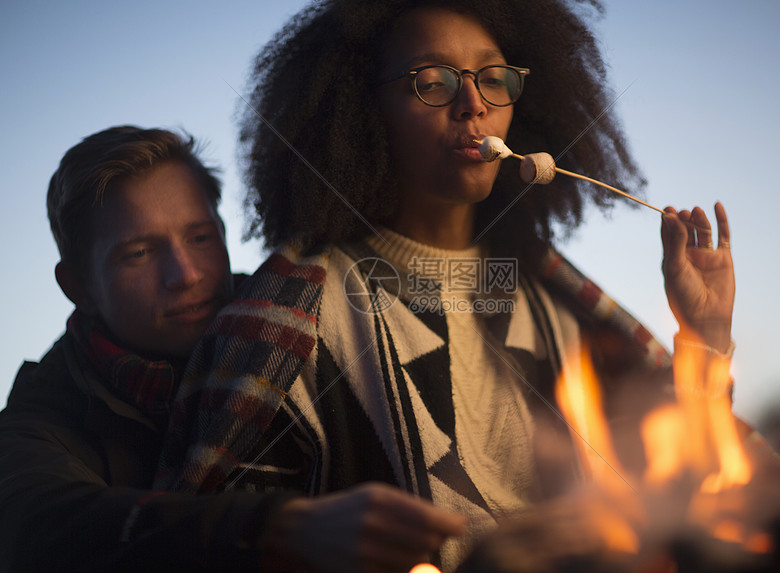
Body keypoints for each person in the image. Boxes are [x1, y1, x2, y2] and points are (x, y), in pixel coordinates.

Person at [154, 0, 741, 571]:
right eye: (431, 81)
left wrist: (705, 337)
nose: (472, 104)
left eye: (493, 78)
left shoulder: (556, 308)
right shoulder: (295, 329)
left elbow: (685, 493)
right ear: (362, 110)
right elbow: (226, 542)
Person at [1, 125, 463, 573]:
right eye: (138, 253)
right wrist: (278, 531)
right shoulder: (43, 413)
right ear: (78, 286)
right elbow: (39, 522)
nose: (185, 274)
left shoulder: (300, 319)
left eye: (200, 237)